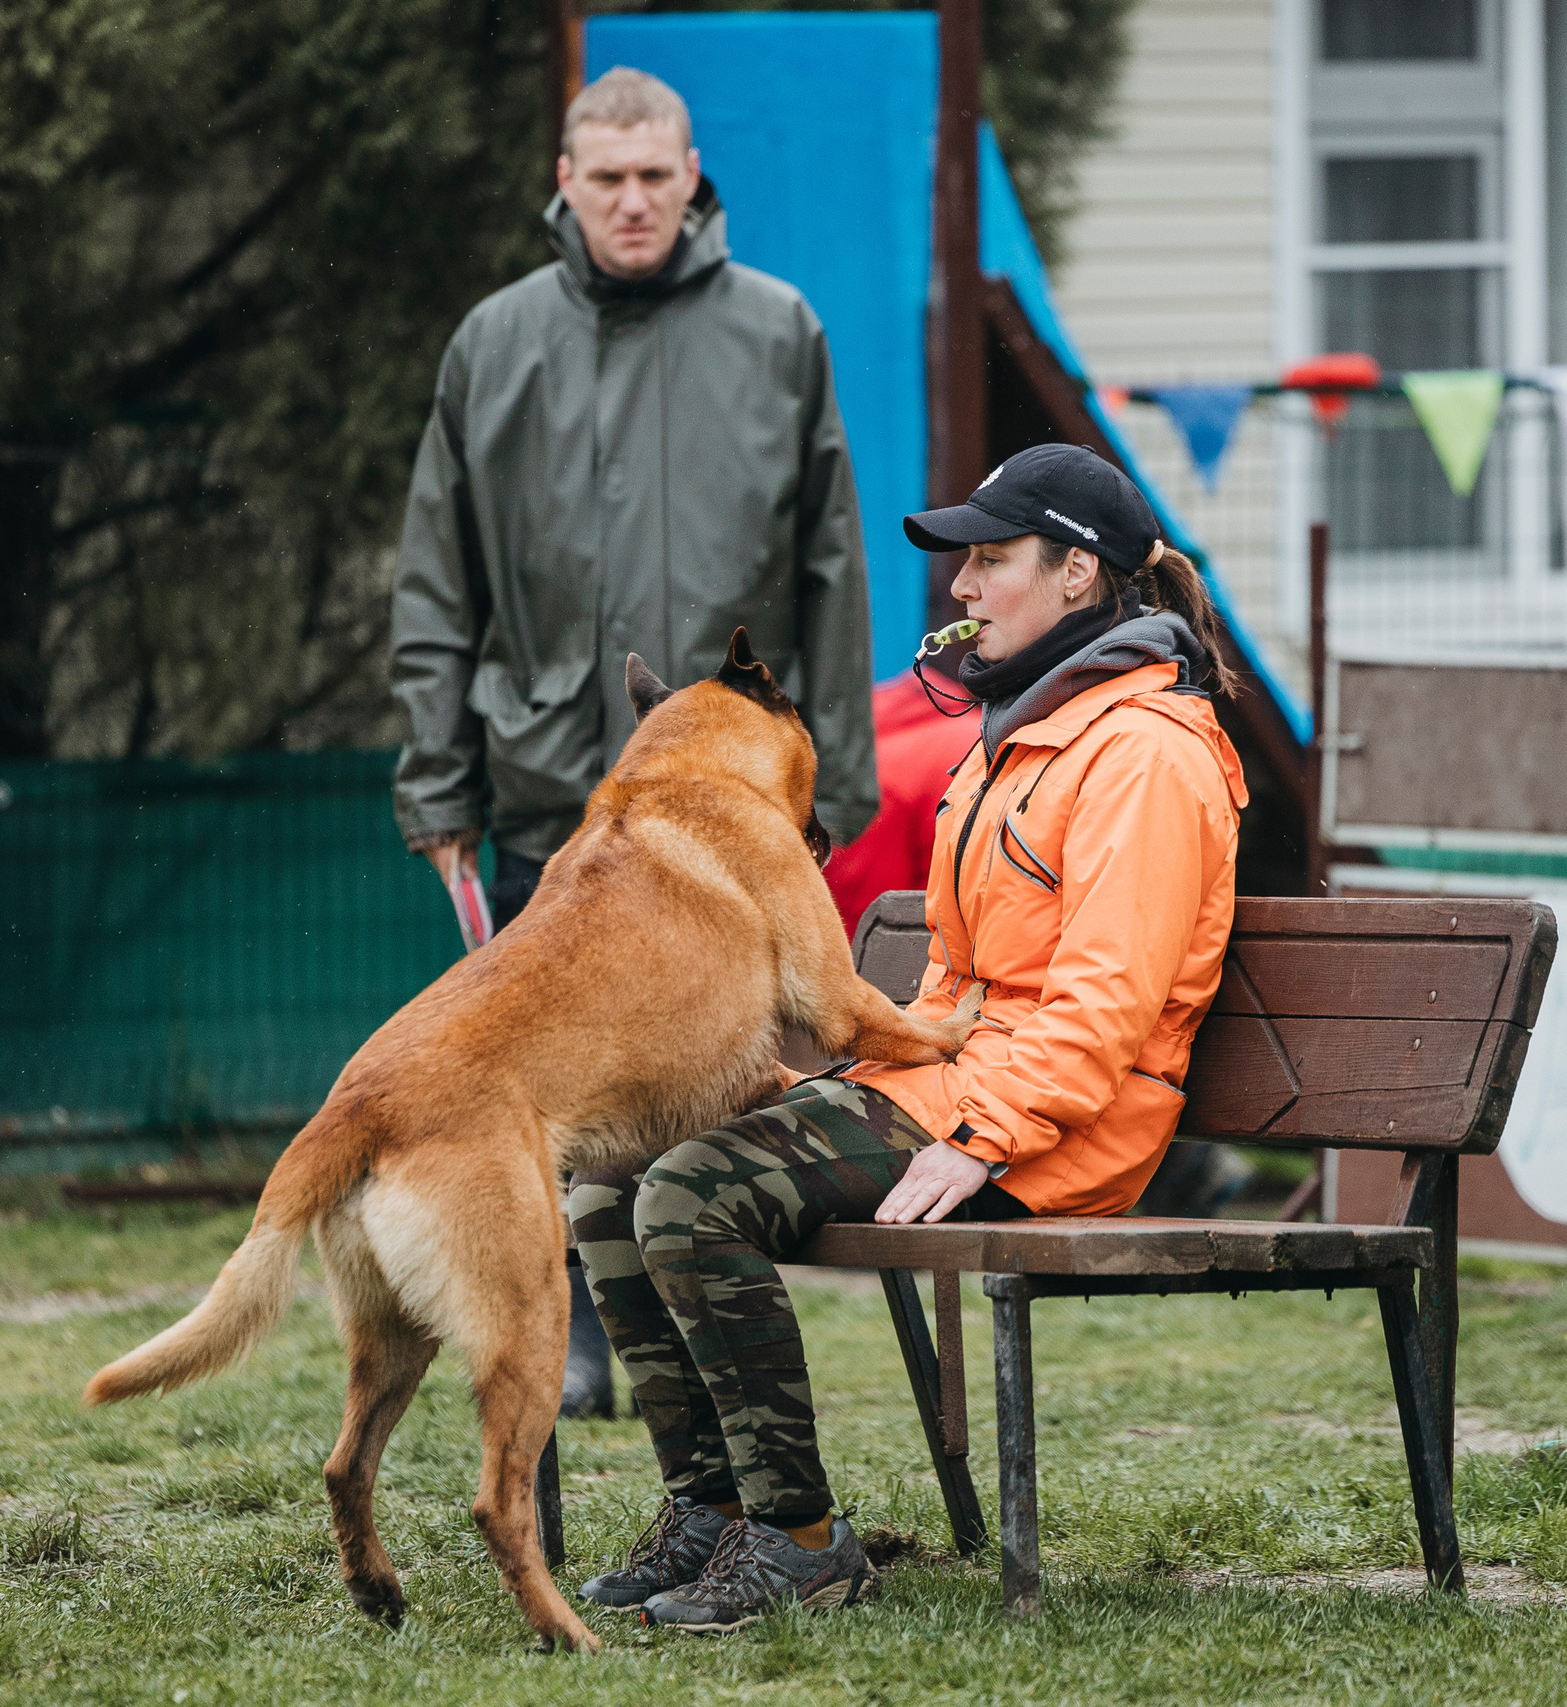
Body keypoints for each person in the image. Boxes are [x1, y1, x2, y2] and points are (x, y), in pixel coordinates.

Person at [568, 444, 1248, 1632]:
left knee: (687, 1196)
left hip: (1051, 1137)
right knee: (607, 1178)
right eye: (964, 565)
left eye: (990, 561)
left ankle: (800, 1541)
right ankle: (713, 1510)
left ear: (1078, 575)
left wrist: (984, 1136)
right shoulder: (1026, 732)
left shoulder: (1144, 753)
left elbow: (1106, 1002)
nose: (963, 590)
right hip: (953, 1097)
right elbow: (956, 983)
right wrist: (834, 1084)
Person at [388, 68, 876, 1417]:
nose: (632, 201)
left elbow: (832, 565)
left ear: (691, 171)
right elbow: (437, 582)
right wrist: (436, 779)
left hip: (732, 800)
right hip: (549, 778)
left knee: (703, 1070)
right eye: (606, 178)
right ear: (567, 177)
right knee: (547, 1080)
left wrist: (831, 766)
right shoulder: (494, 341)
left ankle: (710, 1347)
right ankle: (581, 1326)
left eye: (655, 176)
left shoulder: (780, 330)